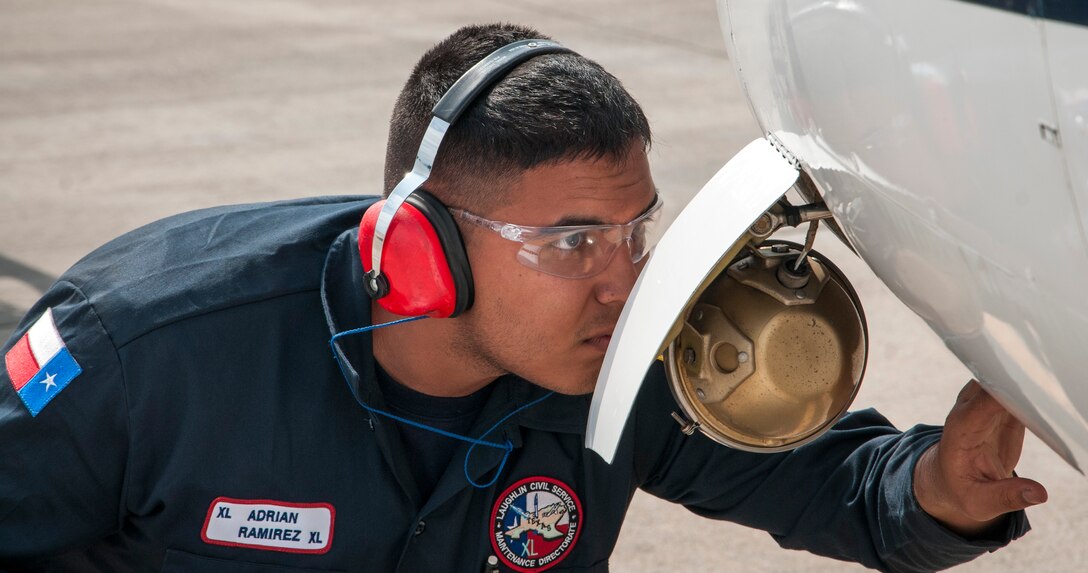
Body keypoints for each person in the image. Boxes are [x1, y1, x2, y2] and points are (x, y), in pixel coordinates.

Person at [0, 22, 1046, 573]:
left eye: (634, 229)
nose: (622, 280)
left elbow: (842, 491)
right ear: (417, 248)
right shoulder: (146, 349)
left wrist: (938, 492)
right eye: (570, 240)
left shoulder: (617, 362)